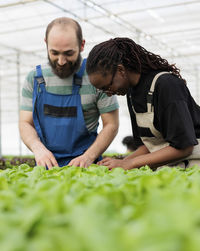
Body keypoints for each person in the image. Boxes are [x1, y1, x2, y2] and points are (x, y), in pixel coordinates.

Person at [86, 37, 200, 170]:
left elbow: (184, 147)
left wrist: (130, 163)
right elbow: (147, 146)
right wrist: (119, 164)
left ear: (121, 70)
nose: (108, 93)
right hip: (173, 168)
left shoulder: (166, 85)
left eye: (107, 87)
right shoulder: (131, 93)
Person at [19, 17, 119, 169]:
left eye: (68, 53)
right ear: (46, 44)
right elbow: (25, 122)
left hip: (86, 166)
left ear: (82, 45)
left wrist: (88, 156)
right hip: (47, 166)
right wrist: (37, 148)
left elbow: (111, 124)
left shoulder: (97, 78)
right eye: (54, 53)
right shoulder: (34, 79)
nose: (61, 61)